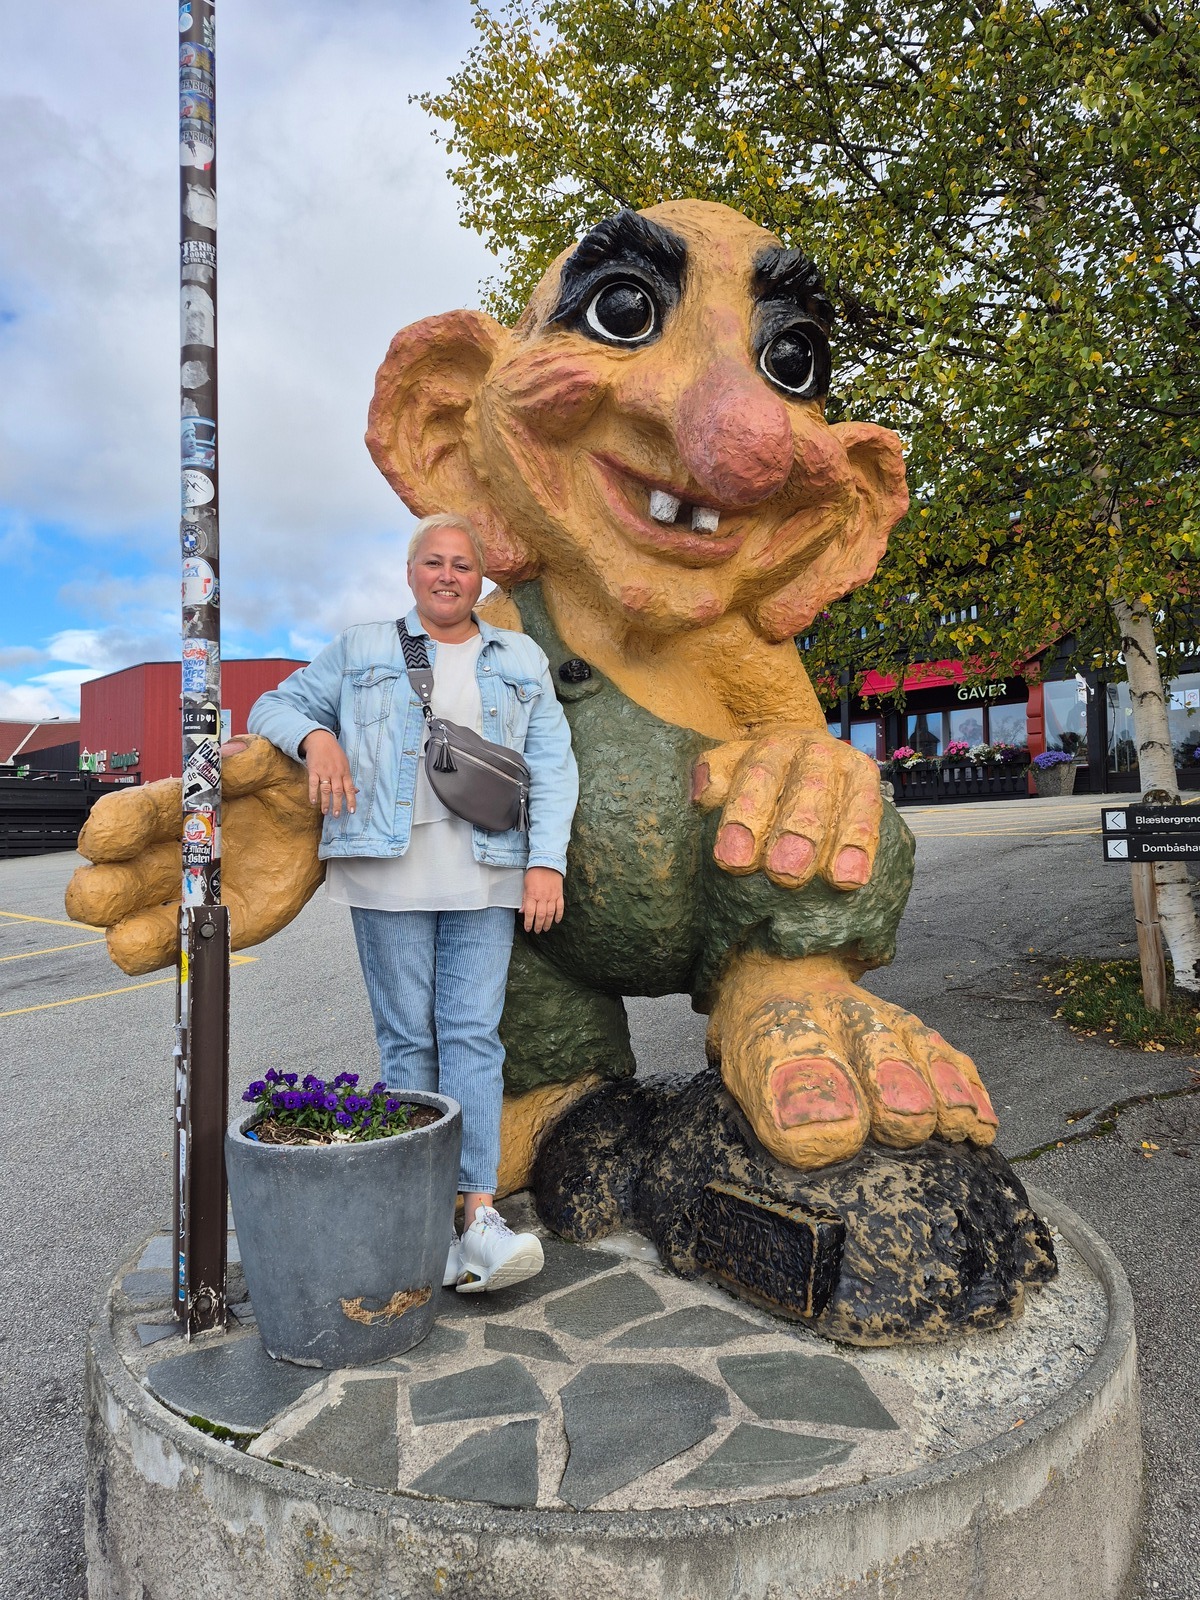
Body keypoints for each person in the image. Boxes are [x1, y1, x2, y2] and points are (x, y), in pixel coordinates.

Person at [247, 512, 578, 1291]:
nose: (448, 576)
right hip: (386, 871)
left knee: (473, 1036)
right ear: (410, 572)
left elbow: (552, 764)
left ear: (479, 578)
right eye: (434, 561)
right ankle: (425, 1218)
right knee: (407, 1041)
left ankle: (479, 1216)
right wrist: (316, 739)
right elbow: (271, 706)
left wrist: (546, 863)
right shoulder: (363, 648)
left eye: (463, 564)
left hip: (488, 871)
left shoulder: (519, 657)